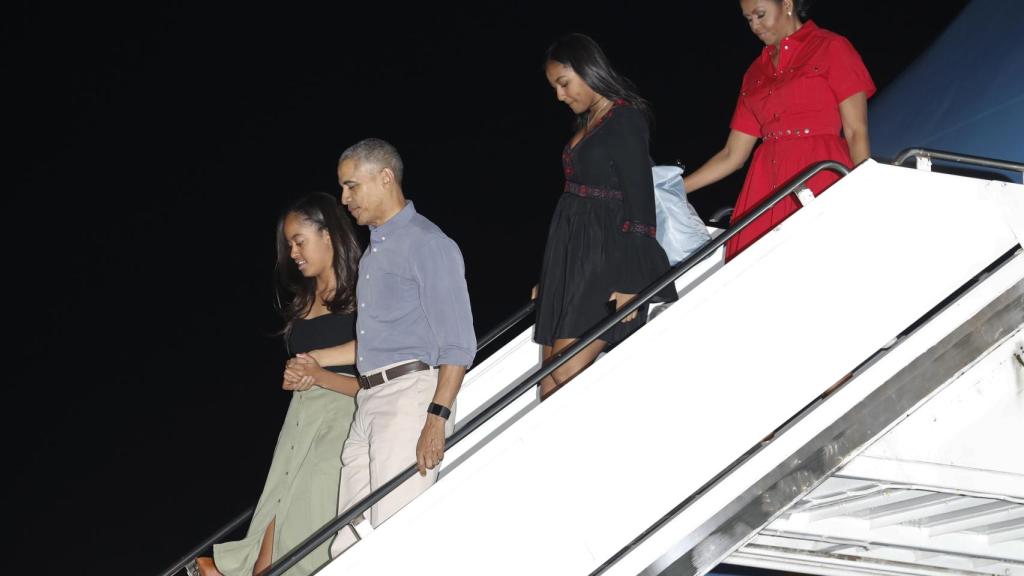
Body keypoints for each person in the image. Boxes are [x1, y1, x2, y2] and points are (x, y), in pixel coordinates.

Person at [187, 193, 362, 576]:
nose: (293, 252)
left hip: (338, 427)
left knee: (292, 549)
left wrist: (319, 375)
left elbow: (380, 384)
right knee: (269, 537)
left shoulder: (366, 294)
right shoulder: (303, 301)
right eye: (288, 244)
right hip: (298, 424)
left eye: (299, 240)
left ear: (328, 234)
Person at [328, 138, 475, 557]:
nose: (344, 198)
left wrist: (436, 419)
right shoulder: (372, 256)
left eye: (351, 186)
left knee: (398, 542)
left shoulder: (427, 243)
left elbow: (459, 342)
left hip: (408, 399)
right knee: (346, 545)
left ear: (385, 177)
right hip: (368, 404)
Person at [534, 33, 677, 399]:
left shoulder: (624, 118)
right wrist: (554, 275)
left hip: (608, 258)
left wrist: (633, 282)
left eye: (564, 84)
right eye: (555, 87)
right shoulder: (591, 121)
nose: (560, 96)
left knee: (564, 371)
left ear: (588, 70)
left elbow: (640, 203)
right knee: (549, 384)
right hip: (576, 257)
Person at [684, 0, 875, 260]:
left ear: (787, 4)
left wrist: (865, 189)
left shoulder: (831, 47)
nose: (755, 26)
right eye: (748, 19)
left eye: (760, 15)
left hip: (819, 174)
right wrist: (677, 188)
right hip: (765, 186)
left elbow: (856, 131)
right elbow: (732, 155)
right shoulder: (754, 72)